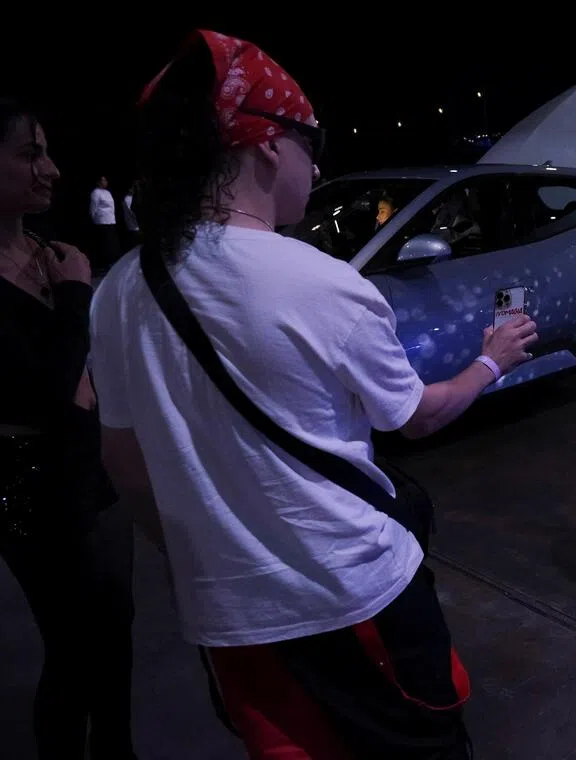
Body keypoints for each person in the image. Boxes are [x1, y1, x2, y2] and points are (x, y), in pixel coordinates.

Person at [89, 30, 537, 760]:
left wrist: (197, 556)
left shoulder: (118, 293)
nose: (317, 163)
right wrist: (490, 362)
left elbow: (124, 461)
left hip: (224, 618)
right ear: (266, 145)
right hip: (352, 600)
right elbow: (418, 419)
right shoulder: (318, 281)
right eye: (308, 142)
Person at [0, 99, 136, 760]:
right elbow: (47, 388)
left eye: (49, 152)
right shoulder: (63, 269)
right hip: (30, 490)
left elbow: (81, 368)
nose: (51, 170)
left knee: (117, 631)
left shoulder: (46, 250)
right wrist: (79, 296)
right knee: (73, 649)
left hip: (92, 472)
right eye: (30, 153)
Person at [89, 175, 118, 271]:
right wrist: (95, 220)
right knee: (104, 244)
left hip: (111, 220)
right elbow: (93, 208)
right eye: (103, 180)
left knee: (111, 243)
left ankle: (111, 262)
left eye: (106, 180)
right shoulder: (95, 193)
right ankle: (104, 264)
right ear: (98, 182)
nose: (105, 182)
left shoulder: (108, 192)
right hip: (102, 221)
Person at [122, 180, 140, 250]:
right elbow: (129, 212)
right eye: (132, 188)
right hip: (133, 224)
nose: (133, 189)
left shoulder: (135, 197)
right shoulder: (126, 199)